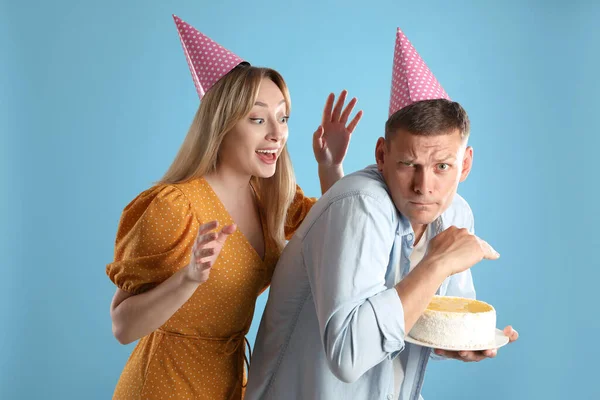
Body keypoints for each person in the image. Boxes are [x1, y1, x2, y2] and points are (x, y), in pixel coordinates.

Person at [245, 28, 519, 400]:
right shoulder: (360, 205)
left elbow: (425, 320)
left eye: (442, 166)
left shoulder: (456, 214)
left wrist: (460, 343)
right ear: (381, 156)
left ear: (465, 164)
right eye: (409, 164)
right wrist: (436, 264)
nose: (424, 186)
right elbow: (348, 355)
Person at [105, 15, 362, 400]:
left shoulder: (272, 197)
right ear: (222, 125)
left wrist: (330, 167)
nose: (277, 134)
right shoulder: (174, 208)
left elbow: (337, 232)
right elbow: (123, 327)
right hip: (164, 385)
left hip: (230, 385)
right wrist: (188, 278)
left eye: (282, 117)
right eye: (258, 119)